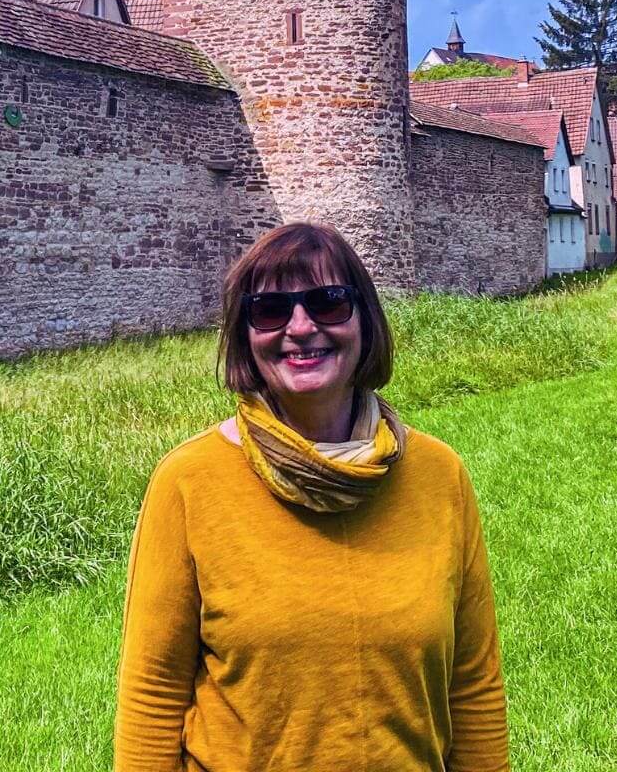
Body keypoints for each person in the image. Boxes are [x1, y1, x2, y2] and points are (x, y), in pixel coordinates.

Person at [113, 222, 510, 771]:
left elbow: (473, 682)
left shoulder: (438, 476)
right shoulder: (189, 479)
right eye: (270, 310)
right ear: (245, 335)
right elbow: (152, 694)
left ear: (365, 321)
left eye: (328, 302)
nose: (300, 328)